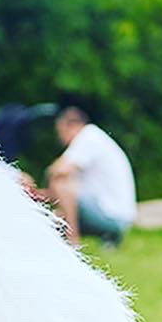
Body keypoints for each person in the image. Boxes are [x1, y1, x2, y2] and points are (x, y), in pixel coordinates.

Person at [45, 105, 136, 247]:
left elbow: (59, 170)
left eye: (60, 131)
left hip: (112, 216)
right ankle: (110, 238)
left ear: (72, 125)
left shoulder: (89, 136)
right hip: (115, 215)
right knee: (51, 218)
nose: (60, 137)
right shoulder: (96, 138)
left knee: (61, 183)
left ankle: (72, 242)